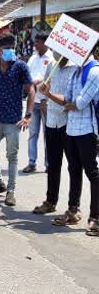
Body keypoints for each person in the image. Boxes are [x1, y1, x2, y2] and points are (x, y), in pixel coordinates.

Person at [0, 33, 34, 207]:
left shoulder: (21, 67)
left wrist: (28, 115)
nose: (9, 51)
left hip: (13, 120)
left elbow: (31, 89)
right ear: (0, 49)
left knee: (12, 156)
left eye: (12, 48)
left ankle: (11, 191)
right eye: (6, 49)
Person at [58, 46, 99, 235]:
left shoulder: (94, 71)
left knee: (92, 173)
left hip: (87, 130)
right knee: (73, 170)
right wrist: (49, 93)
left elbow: (80, 103)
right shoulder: (77, 71)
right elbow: (67, 98)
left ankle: (95, 218)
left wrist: (69, 105)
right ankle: (73, 210)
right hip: (72, 129)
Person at [35, 54, 78, 216]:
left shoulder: (75, 67)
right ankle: (50, 201)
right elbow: (46, 87)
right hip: (51, 120)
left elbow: (70, 99)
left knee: (74, 166)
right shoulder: (52, 65)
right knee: (52, 164)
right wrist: (45, 104)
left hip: (68, 122)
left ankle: (74, 207)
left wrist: (49, 95)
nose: (56, 52)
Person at [22, 31, 53, 174]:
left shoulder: (52, 58)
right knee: (33, 134)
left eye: (38, 42)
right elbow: (27, 74)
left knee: (48, 135)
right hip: (33, 101)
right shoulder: (33, 59)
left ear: (45, 43)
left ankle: (49, 164)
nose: (35, 44)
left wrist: (35, 81)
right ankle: (31, 162)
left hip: (47, 102)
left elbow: (45, 77)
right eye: (35, 42)